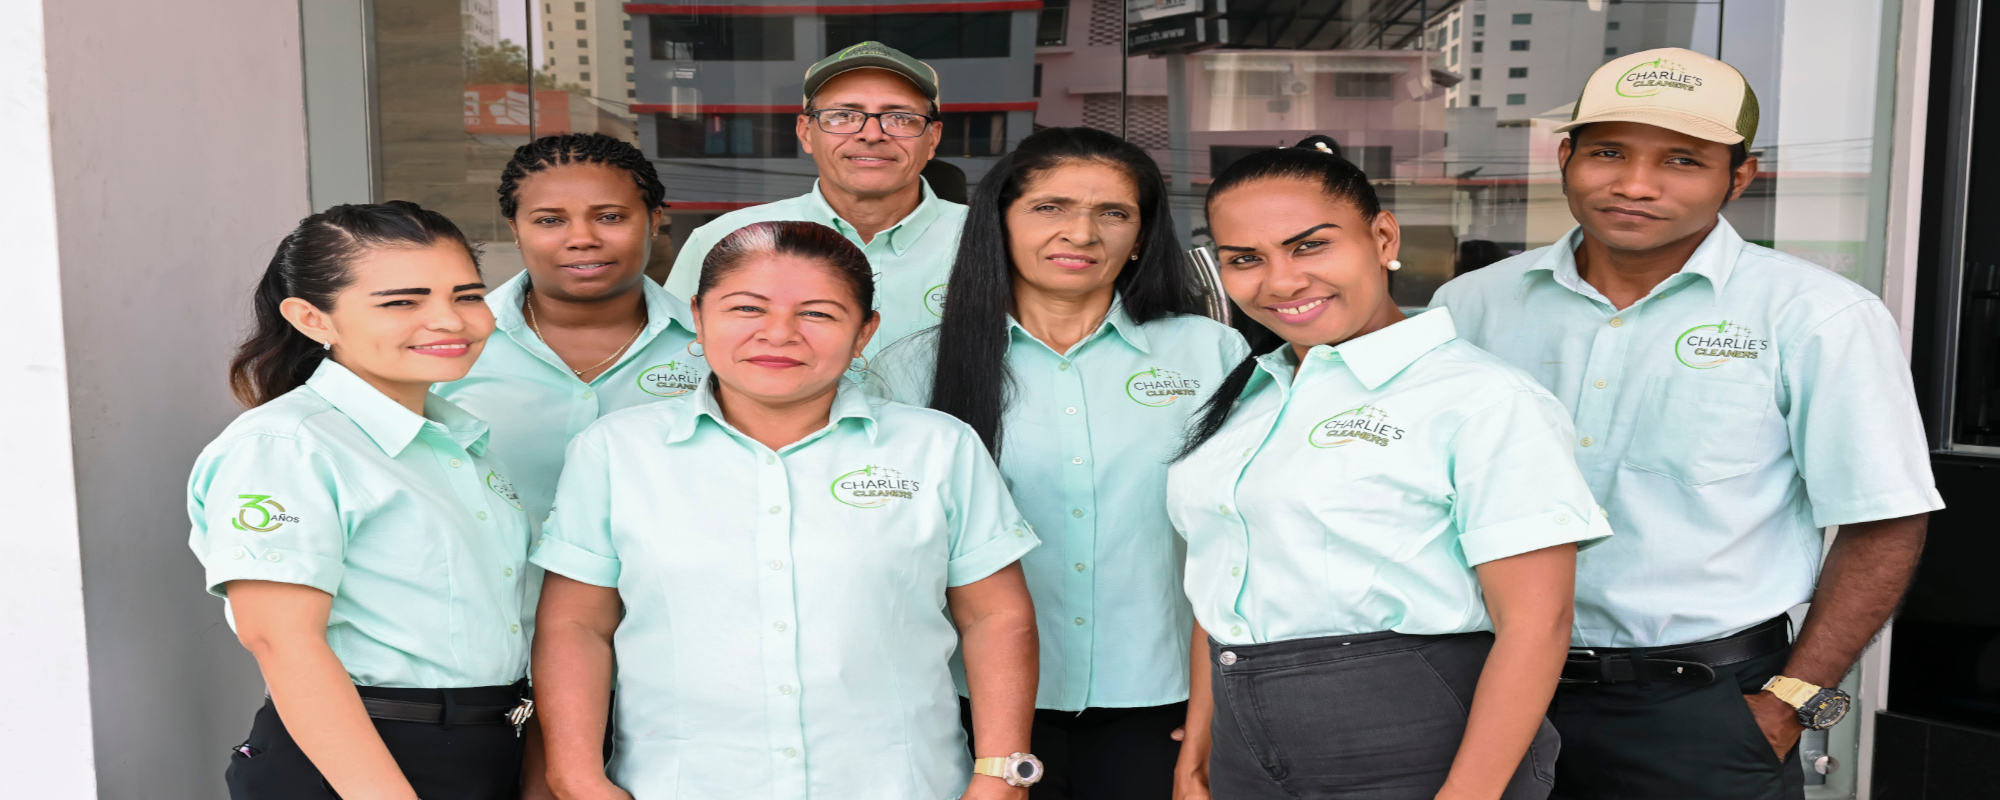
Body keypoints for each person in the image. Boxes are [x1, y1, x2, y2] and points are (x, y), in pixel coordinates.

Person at [1429, 48, 1940, 800]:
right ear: (1566, 157)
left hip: (1700, 711)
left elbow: (1884, 522)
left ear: (1740, 176)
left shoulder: (1817, 316)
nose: (1635, 184)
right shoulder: (1470, 307)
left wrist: (1789, 707)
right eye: (1608, 152)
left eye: (1682, 160)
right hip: (1483, 690)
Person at [531, 220, 1045, 800]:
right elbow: (576, 624)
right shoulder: (617, 451)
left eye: (818, 314)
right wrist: (574, 775)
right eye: (747, 309)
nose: (778, 334)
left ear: (864, 331)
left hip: (898, 783)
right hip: (682, 784)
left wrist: (1002, 774)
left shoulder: (938, 448)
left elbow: (995, 617)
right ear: (698, 317)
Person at [1168, 138, 1609, 800]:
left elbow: (1537, 625)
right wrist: (1199, 750)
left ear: (1382, 237)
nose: (1282, 281)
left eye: (1311, 246)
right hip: (1243, 742)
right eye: (1245, 259)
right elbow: (1222, 575)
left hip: (1412, 739)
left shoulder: (1483, 399)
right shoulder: (1251, 398)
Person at [870, 126, 1247, 799]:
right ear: (1000, 222)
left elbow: (1242, 541)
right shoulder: (912, 368)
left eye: (1114, 213)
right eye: (1050, 207)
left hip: (1162, 705)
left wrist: (1216, 712)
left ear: (1142, 235)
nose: (1082, 233)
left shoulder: (1209, 353)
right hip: (975, 708)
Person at [188, 202, 535, 799]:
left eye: (468, 296)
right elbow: (282, 640)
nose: (449, 320)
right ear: (311, 318)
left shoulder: (459, 442)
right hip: (362, 763)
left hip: (486, 748)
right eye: (402, 302)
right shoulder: (288, 445)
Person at [437, 132, 703, 532]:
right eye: (550, 220)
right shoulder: (445, 344)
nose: (582, 239)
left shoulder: (718, 347)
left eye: (610, 217)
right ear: (515, 230)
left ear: (653, 222)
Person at [665, 41, 966, 356]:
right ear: (805, 132)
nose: (872, 134)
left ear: (933, 138)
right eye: (842, 115)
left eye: (900, 117)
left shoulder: (987, 238)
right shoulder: (726, 238)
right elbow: (675, 361)